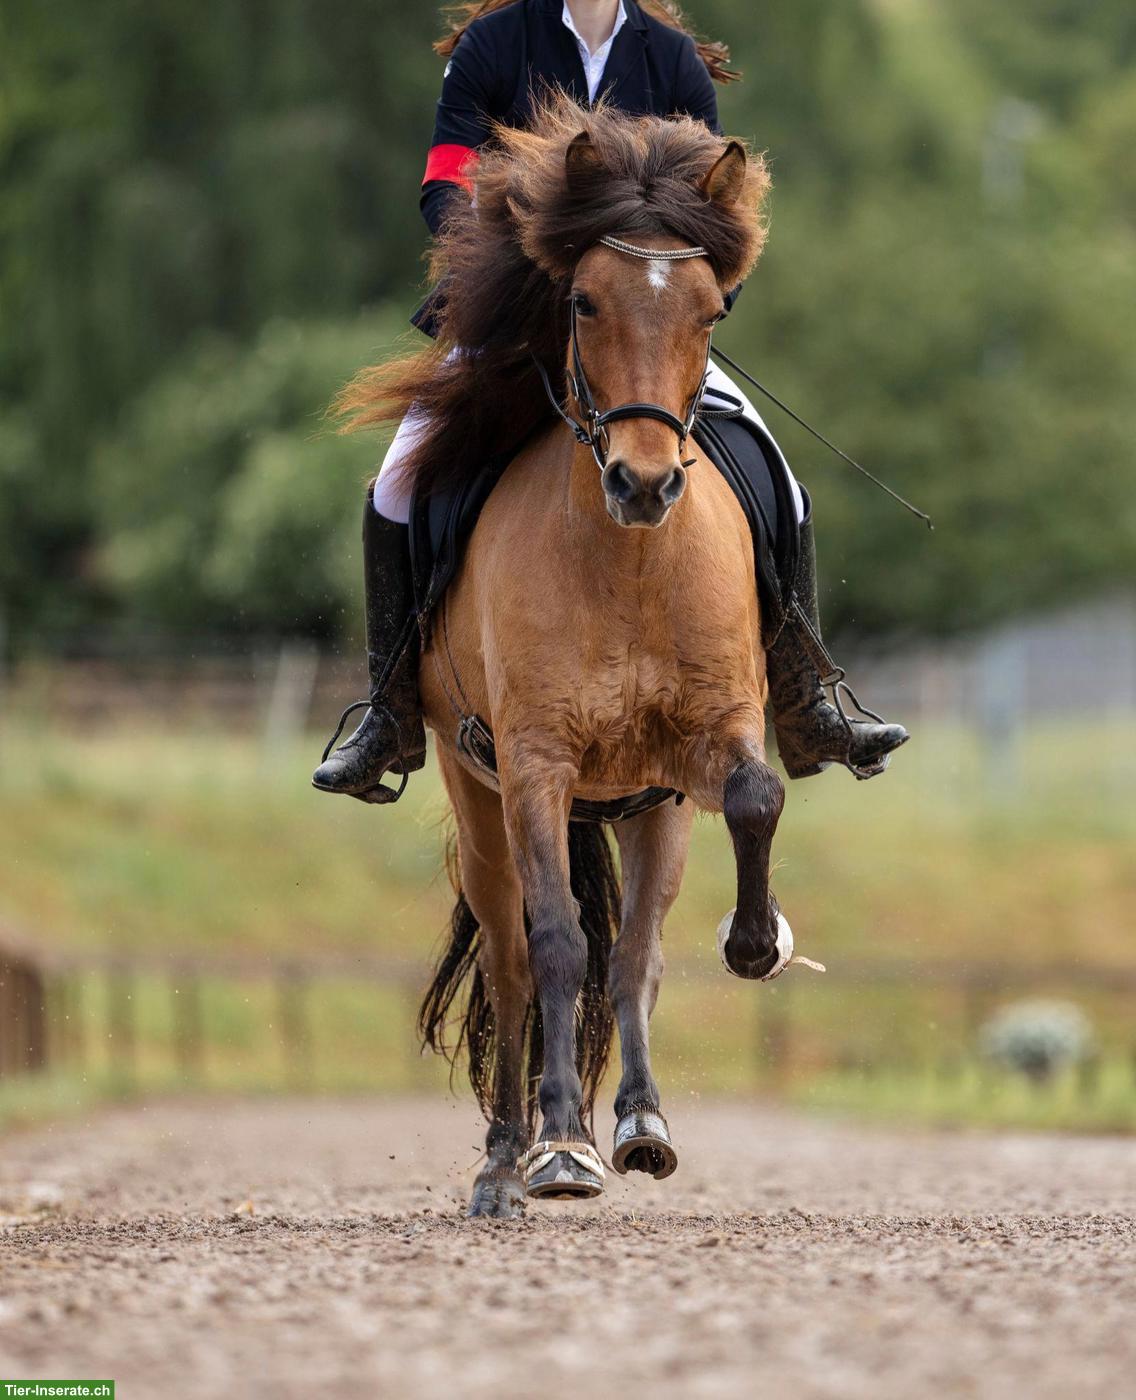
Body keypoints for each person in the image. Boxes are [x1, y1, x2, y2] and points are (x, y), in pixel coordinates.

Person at [313, 0, 908, 799]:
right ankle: (387, 711)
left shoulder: (673, 60)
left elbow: (714, 208)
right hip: (521, 318)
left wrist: (675, 296)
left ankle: (806, 701)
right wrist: (519, 264)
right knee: (396, 481)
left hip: (646, 337)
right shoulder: (493, 45)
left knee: (783, 485)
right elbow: (444, 186)